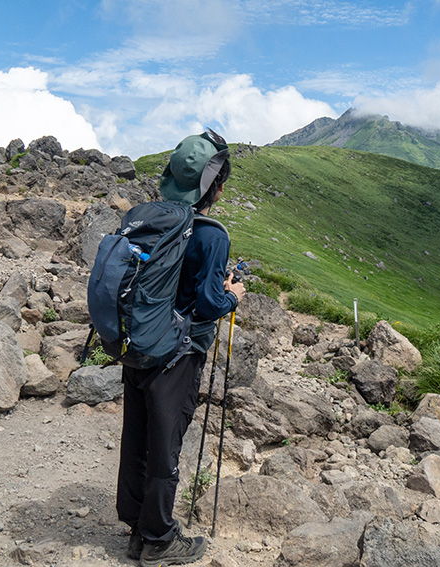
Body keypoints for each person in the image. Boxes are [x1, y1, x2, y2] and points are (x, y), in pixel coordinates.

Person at [116, 130, 246, 566]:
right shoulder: (211, 236)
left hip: (136, 343)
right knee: (166, 444)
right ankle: (158, 540)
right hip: (177, 353)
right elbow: (209, 304)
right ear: (216, 187)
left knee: (137, 437)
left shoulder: (145, 219)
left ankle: (137, 527)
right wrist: (235, 296)